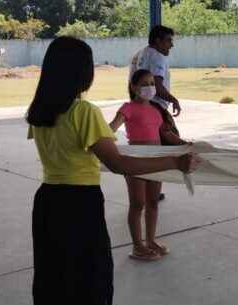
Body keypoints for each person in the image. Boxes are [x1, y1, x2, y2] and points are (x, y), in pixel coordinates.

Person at [26, 36, 200, 304]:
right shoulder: (83, 112)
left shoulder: (39, 111)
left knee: (54, 276)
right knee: (89, 278)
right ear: (83, 72)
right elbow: (119, 163)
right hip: (79, 203)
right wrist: (175, 162)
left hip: (48, 202)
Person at [109, 69, 189, 260]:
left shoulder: (156, 110)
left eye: (152, 83)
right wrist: (99, 139)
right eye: (144, 84)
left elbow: (166, 133)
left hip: (156, 162)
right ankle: (138, 246)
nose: (150, 87)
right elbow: (112, 127)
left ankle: (151, 240)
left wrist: (184, 144)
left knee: (153, 202)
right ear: (133, 87)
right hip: (136, 162)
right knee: (137, 204)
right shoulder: (128, 108)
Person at [131, 25, 182, 202]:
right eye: (168, 40)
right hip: (155, 106)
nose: (171, 45)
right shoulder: (158, 57)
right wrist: (173, 99)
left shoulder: (142, 53)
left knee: (147, 148)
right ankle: (152, 189)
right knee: (165, 147)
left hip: (141, 105)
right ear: (158, 41)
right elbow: (158, 86)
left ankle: (147, 188)